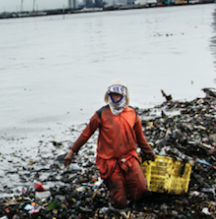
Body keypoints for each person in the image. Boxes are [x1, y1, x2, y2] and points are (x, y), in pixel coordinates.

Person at [64, 81, 155, 210]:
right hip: (109, 162)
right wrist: (72, 151)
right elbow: (86, 134)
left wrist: (149, 152)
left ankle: (133, 204)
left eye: (118, 95)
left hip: (129, 158)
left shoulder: (132, 113)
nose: (115, 98)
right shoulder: (101, 114)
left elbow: (140, 138)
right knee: (119, 199)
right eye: (112, 95)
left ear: (124, 96)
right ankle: (118, 206)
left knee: (141, 189)